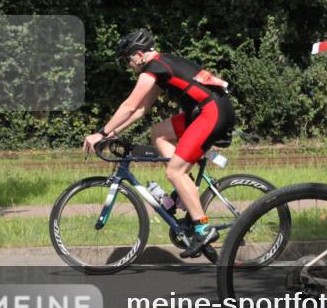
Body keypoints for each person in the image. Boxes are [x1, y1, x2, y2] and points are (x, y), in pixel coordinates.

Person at [82, 29, 236, 258]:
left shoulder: (153, 67)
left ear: (139, 54)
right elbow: (141, 110)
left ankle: (203, 228)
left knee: (174, 171)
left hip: (211, 112)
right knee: (159, 133)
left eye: (127, 59)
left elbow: (129, 106)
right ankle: (185, 188)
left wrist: (100, 133)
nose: (128, 65)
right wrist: (112, 133)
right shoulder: (161, 66)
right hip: (205, 110)